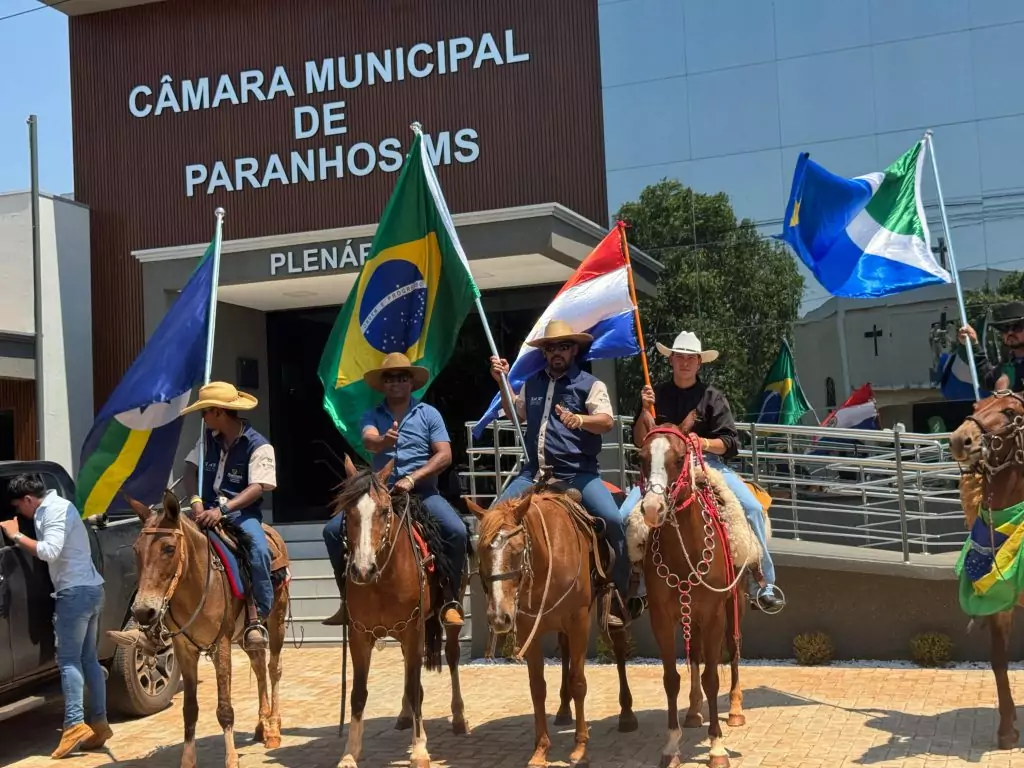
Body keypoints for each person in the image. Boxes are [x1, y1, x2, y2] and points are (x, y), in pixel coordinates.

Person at [110, 381, 277, 653]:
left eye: (205, 412)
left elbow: (258, 486)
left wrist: (222, 510)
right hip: (203, 511)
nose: (203, 418)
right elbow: (190, 469)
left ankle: (255, 619)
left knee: (257, 550)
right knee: (164, 549)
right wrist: (197, 502)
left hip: (239, 515)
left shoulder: (258, 446)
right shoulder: (207, 439)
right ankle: (153, 629)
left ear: (219, 412)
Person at [489, 319, 631, 628]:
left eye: (563, 347)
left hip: (578, 473)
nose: (557, 352)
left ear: (574, 350)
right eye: (551, 347)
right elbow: (517, 413)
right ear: (544, 352)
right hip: (533, 474)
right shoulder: (533, 382)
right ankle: (497, 598)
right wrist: (502, 381)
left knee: (614, 521)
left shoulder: (590, 384)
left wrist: (581, 420)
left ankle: (618, 596)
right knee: (492, 520)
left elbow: (606, 421)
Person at [632, 330, 785, 612]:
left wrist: (702, 442)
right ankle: (636, 586)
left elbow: (730, 442)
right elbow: (640, 439)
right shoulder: (656, 396)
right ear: (671, 361)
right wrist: (644, 410)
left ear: (699, 363)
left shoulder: (713, 396)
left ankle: (762, 582)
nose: (685, 363)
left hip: (707, 464)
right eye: (680, 357)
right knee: (623, 517)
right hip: (662, 468)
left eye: (691, 358)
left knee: (751, 508)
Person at [322, 352, 468, 628]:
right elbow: (368, 440)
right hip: (381, 495)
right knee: (331, 531)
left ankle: (450, 599)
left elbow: (444, 455)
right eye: (390, 378)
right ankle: (347, 600)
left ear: (411, 382)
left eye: (402, 377)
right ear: (383, 384)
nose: (396, 383)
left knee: (457, 531)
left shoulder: (429, 414)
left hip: (422, 493)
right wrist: (382, 440)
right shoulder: (372, 414)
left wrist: (414, 477)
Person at [1, 475, 112, 758]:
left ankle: (74, 724)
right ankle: (98, 722)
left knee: (69, 661)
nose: (19, 513)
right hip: (89, 589)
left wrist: (15, 535)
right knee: (88, 658)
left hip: (74, 594)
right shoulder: (57, 507)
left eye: (18, 506)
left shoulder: (53, 510)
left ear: (28, 499)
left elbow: (50, 551)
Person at [958, 301, 1024, 391]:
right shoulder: (1009, 363)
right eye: (1005, 328)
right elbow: (987, 381)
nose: (1010, 332)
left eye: (1017, 327)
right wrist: (974, 344)